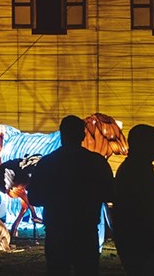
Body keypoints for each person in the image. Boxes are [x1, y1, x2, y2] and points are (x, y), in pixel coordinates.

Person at [28, 115, 116, 276]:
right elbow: (110, 193)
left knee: (57, 270)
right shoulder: (96, 163)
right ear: (83, 135)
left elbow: (34, 197)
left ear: (61, 135)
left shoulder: (47, 163)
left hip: (57, 232)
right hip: (86, 233)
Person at [112, 124, 154, 276]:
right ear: (142, 145)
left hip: (136, 239)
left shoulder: (135, 168)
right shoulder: (137, 171)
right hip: (141, 241)